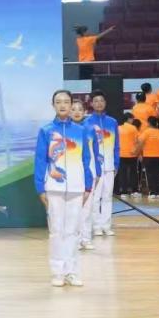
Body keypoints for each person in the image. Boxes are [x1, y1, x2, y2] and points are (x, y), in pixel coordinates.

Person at [35, 90, 92, 288]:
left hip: (77, 187)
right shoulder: (46, 131)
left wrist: (87, 185)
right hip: (53, 187)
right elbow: (40, 160)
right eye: (58, 102)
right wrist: (40, 188)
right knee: (56, 230)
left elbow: (86, 159)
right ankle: (58, 272)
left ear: (71, 105)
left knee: (73, 231)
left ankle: (72, 272)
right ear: (53, 105)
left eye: (66, 102)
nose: (62, 105)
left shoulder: (81, 131)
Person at [84, 91, 119, 239]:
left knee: (107, 197)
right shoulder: (87, 123)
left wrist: (116, 163)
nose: (99, 103)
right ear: (91, 103)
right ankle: (96, 226)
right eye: (96, 101)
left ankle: (106, 226)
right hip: (94, 167)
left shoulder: (112, 122)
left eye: (101, 101)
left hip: (110, 166)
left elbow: (116, 145)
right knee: (95, 198)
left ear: (105, 103)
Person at [69, 100, 101, 250]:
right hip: (72, 174)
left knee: (87, 208)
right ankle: (74, 239)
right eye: (73, 109)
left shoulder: (90, 129)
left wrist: (98, 172)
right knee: (73, 209)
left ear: (84, 112)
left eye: (80, 109)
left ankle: (86, 239)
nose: (76, 112)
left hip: (89, 173)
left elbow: (96, 151)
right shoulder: (66, 130)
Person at [139, 117, 159, 199]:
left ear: (149, 123)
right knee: (158, 175)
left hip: (148, 156)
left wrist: (140, 154)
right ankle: (158, 192)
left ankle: (152, 192)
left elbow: (140, 143)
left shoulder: (145, 132)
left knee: (150, 175)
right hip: (158, 156)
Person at [116, 114, 141, 198]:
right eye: (132, 119)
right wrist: (138, 152)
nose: (133, 120)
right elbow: (137, 141)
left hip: (121, 154)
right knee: (133, 173)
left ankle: (124, 192)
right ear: (128, 119)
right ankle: (134, 191)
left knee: (122, 173)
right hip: (132, 154)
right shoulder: (133, 128)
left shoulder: (118, 128)